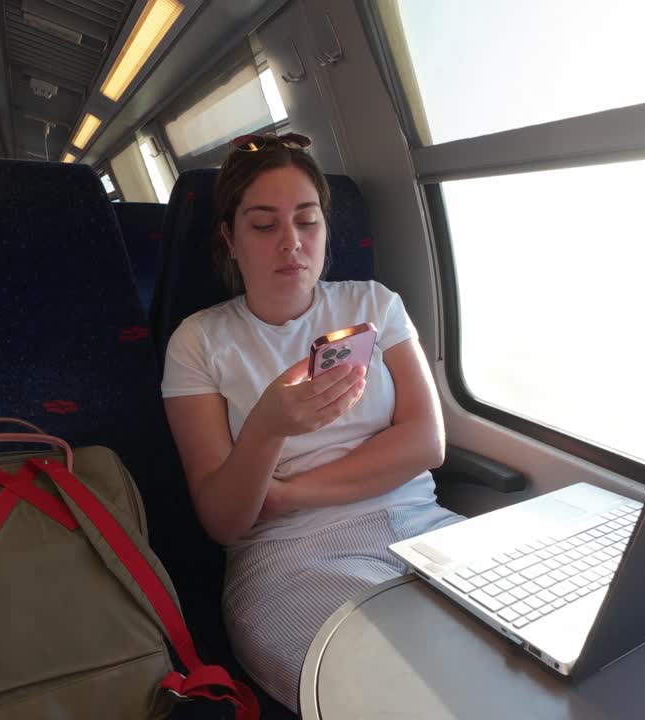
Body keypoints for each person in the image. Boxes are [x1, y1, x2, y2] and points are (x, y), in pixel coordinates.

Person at [161, 132, 464, 710]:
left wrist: (285, 492)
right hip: (289, 559)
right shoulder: (199, 341)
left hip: (420, 523)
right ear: (229, 237)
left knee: (525, 643)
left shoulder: (375, 304)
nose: (291, 243)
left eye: (307, 221)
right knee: (399, 694)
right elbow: (226, 520)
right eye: (263, 224)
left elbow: (426, 442)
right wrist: (267, 429)